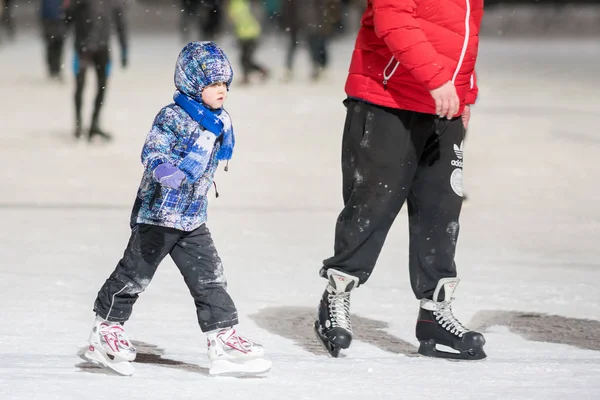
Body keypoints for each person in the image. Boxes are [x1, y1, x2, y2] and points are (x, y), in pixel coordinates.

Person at [84, 41, 271, 377]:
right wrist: (162, 169)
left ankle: (223, 339)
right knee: (134, 274)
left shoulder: (220, 121)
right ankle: (106, 329)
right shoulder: (173, 116)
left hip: (192, 217)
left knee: (210, 278)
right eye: (214, 84)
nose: (222, 91)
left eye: (225, 84)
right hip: (157, 214)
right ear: (192, 84)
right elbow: (153, 149)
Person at [314, 0, 487, 360]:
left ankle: (434, 314)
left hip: (444, 106)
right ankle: (336, 297)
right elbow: (393, 19)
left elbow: (461, 34)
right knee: (372, 204)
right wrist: (436, 79)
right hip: (388, 99)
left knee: (441, 211)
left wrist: (464, 93)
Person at [64, 0, 128, 141]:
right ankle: (79, 125)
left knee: (102, 86)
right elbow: (68, 19)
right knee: (80, 86)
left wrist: (124, 49)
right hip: (83, 48)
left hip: (102, 49)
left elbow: (121, 25)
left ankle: (94, 124)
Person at [228, 0, 269, 85]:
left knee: (244, 58)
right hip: (246, 34)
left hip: (248, 34)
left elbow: (240, 19)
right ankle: (260, 71)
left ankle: (249, 76)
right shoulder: (241, 3)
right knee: (245, 58)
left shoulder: (237, 4)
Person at [40, 0, 67, 81]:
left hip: (57, 19)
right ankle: (53, 69)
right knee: (52, 45)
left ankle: (55, 68)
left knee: (57, 45)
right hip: (52, 20)